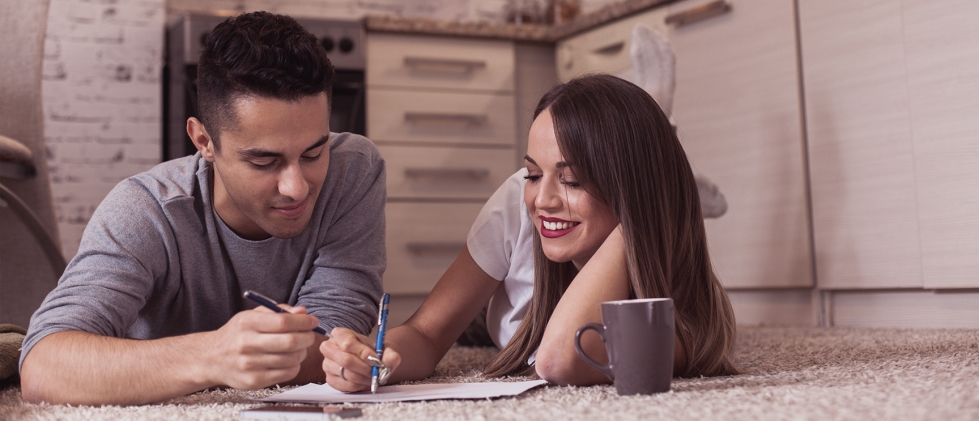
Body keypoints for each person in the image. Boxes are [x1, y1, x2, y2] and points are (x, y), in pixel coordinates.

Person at [19, 11, 386, 405]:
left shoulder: (354, 169)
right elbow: (44, 368)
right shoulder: (145, 210)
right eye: (264, 162)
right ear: (203, 141)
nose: (296, 188)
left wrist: (330, 349)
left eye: (313, 152)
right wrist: (212, 355)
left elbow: (335, 331)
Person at [320, 74, 738, 391]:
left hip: (564, 298)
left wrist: (646, 209)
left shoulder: (676, 316)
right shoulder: (517, 206)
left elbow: (558, 360)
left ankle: (670, 152)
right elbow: (428, 334)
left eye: (572, 181)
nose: (543, 201)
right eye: (534, 174)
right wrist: (377, 358)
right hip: (496, 319)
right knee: (476, 326)